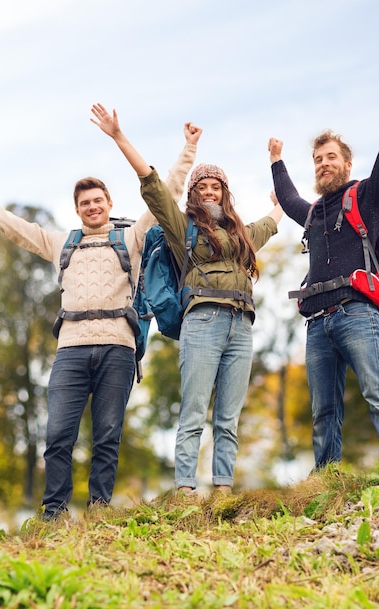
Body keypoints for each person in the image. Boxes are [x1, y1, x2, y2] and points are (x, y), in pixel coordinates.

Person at [0, 123, 202, 519]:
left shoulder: (132, 238)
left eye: (98, 200)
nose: (92, 207)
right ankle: (54, 513)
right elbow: (11, 226)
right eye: (85, 202)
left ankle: (99, 510)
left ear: (108, 203)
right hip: (70, 350)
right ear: (77, 209)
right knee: (58, 435)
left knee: (107, 436)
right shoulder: (60, 244)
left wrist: (188, 147)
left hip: (118, 348)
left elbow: (166, 193)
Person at [91, 102, 284, 494]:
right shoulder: (183, 229)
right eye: (202, 187)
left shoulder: (243, 235)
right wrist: (118, 136)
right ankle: (185, 492)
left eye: (216, 187)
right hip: (203, 321)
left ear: (225, 194)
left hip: (242, 324)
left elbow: (275, 218)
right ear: (194, 194)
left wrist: (278, 171)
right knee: (195, 411)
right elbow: (153, 185)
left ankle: (223, 492)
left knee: (229, 417)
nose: (209, 191)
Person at [267, 61, 379, 469]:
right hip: (317, 324)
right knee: (322, 413)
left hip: (358, 314)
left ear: (347, 165)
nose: (323, 163)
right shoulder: (313, 214)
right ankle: (327, 479)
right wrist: (277, 161)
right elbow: (289, 197)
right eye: (317, 159)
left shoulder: (367, 196)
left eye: (330, 157)